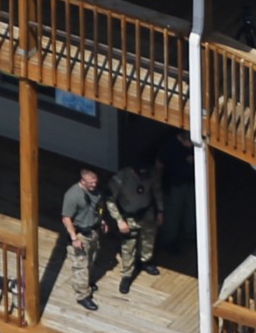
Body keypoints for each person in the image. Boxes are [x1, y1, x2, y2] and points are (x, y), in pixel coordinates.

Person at [106, 156, 164, 294]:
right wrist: (119, 220)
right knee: (128, 246)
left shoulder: (151, 174)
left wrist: (160, 210)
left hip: (147, 213)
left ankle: (145, 261)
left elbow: (156, 190)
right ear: (132, 171)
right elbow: (109, 200)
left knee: (148, 239)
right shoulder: (120, 179)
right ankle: (127, 274)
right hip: (128, 216)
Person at [61, 168, 108, 311]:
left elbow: (99, 207)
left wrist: (101, 220)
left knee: (91, 259)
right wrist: (74, 238)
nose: (94, 185)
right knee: (80, 265)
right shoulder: (72, 195)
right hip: (81, 233)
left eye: (95, 182)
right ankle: (82, 295)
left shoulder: (96, 192)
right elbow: (66, 218)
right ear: (82, 181)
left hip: (93, 230)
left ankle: (86, 283)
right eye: (91, 183)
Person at [155, 130, 195, 254]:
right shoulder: (169, 146)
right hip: (175, 185)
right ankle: (169, 241)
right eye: (188, 142)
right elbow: (159, 165)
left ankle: (191, 235)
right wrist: (158, 184)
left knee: (192, 210)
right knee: (172, 214)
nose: (190, 146)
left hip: (191, 183)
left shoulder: (194, 145)